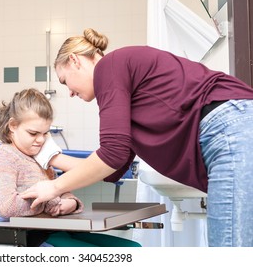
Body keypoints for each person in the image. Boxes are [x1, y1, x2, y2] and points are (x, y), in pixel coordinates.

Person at [21, 29, 253, 247]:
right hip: (235, 131)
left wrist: (53, 186)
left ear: (74, 60)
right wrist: (50, 156)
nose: (69, 92)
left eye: (64, 81)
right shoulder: (125, 86)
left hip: (231, 128)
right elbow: (112, 167)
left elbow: (111, 154)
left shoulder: (109, 66)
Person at [0, 88, 141, 247]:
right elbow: (7, 207)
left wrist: (71, 203)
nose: (40, 140)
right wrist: (49, 202)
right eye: (33, 133)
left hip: (58, 229)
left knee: (134, 248)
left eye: (45, 133)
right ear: (12, 125)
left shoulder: (39, 157)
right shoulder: (3, 157)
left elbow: (61, 189)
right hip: (37, 237)